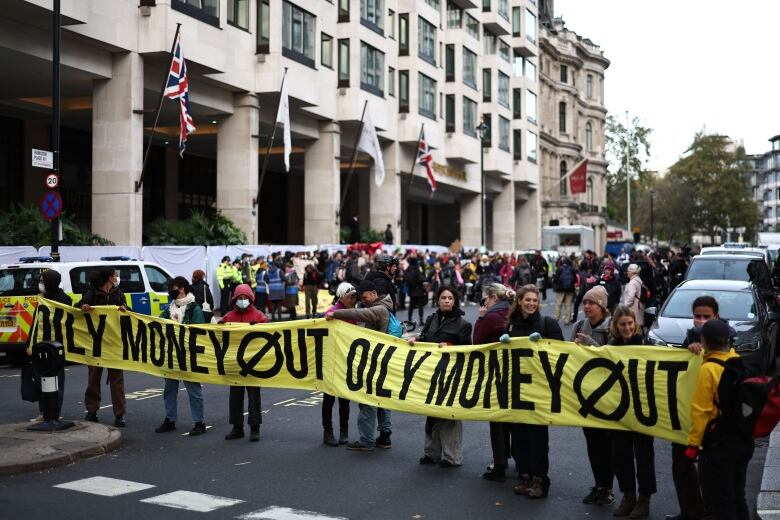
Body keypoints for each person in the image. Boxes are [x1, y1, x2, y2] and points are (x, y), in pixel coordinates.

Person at [666, 296, 735, 520]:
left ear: (716, 316)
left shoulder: (727, 337)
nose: (701, 321)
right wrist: (690, 348)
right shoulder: (691, 336)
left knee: (713, 478)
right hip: (686, 413)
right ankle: (689, 510)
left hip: (711, 423)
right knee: (681, 467)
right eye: (697, 316)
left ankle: (707, 512)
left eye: (707, 316)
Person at [499, 284, 563, 498]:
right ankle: (525, 476)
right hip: (517, 391)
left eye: (535, 301)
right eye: (528, 300)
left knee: (537, 440)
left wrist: (545, 344)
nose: (531, 304)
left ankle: (540, 481)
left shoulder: (547, 324)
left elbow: (562, 353)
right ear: (519, 301)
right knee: (518, 439)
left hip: (539, 391)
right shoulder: (510, 325)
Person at [687, 319, 753, 520]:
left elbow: (701, 410)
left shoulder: (709, 369)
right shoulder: (736, 360)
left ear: (705, 341)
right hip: (742, 439)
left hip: (718, 443)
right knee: (737, 495)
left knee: (720, 501)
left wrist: (692, 445)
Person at [325, 280, 394, 451]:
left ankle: (366, 440)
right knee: (381, 399)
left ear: (373, 293)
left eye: (363, 297)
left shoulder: (379, 309)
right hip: (381, 359)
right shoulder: (385, 305)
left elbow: (360, 314)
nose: (361, 301)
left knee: (367, 401)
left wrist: (335, 314)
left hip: (375, 361)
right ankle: (384, 436)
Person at [411, 287, 472, 468]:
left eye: (450, 298)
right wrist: (416, 340)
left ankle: (452, 457)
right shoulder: (432, 319)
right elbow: (424, 340)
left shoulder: (463, 325)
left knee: (449, 416)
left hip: (451, 375)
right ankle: (432, 453)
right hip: (431, 374)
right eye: (443, 297)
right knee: (432, 414)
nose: (446, 300)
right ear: (438, 300)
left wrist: (451, 345)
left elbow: (467, 351)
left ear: (455, 301)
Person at [608, 305, 656, 518]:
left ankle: (644, 500)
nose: (627, 327)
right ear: (616, 327)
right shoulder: (613, 346)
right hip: (619, 411)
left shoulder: (646, 344)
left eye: (630, 323)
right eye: (622, 324)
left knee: (643, 456)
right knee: (620, 456)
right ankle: (629, 496)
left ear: (635, 324)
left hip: (643, 410)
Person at [571, 285, 615, 506]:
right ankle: (598, 485)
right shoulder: (579, 325)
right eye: (585, 302)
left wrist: (591, 345)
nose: (587, 306)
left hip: (609, 398)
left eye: (592, 303)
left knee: (608, 446)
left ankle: (608, 488)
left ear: (602, 306)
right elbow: (569, 358)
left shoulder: (612, 328)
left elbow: (614, 359)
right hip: (586, 396)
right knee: (593, 445)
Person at [76, 267, 128, 427]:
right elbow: (78, 305)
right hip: (96, 343)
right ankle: (92, 411)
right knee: (93, 379)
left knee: (117, 381)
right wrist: (83, 306)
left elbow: (128, 311)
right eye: (115, 275)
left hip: (113, 344)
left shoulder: (118, 294)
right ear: (109, 278)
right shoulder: (91, 292)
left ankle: (119, 415)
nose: (117, 277)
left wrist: (125, 310)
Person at [155, 277, 207, 436]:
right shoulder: (169, 309)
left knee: (193, 390)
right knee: (169, 389)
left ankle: (199, 422)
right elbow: (157, 322)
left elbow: (198, 331)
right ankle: (170, 420)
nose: (172, 290)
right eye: (171, 288)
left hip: (188, 355)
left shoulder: (194, 308)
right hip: (171, 355)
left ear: (183, 288)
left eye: (174, 288)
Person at [473, 283, 514, 481]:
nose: (484, 303)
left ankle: (499, 463)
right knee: (512, 420)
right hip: (515, 372)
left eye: (485, 299)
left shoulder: (491, 317)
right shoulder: (512, 312)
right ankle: (513, 458)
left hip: (496, 373)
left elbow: (477, 343)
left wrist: (480, 319)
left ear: (494, 298)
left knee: (497, 421)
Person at [221, 284, 269, 442]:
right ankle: (237, 427)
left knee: (254, 396)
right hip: (235, 363)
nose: (242, 301)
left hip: (253, 364)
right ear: (235, 299)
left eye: (245, 298)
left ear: (250, 299)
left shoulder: (259, 316)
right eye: (239, 298)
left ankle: (255, 428)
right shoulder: (228, 317)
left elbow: (270, 334)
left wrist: (261, 327)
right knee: (235, 396)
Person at [30, 270, 72, 415]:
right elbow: (37, 322)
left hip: (56, 347)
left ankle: (54, 413)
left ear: (51, 282)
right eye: (40, 280)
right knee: (41, 381)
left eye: (43, 281)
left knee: (57, 381)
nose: (40, 284)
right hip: (41, 345)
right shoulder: (42, 298)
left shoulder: (64, 299)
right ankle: (44, 412)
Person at [321, 282, 357, 446]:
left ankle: (344, 431)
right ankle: (327, 432)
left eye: (355, 296)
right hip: (330, 361)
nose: (354, 299)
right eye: (351, 296)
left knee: (344, 398)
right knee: (328, 398)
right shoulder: (331, 313)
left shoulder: (353, 313)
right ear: (342, 296)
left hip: (345, 361)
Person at [552, 257, 576, 324]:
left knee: (558, 304)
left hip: (560, 289)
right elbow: (575, 279)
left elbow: (556, 279)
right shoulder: (572, 269)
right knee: (568, 305)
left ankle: (556, 317)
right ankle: (567, 320)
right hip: (570, 289)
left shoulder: (559, 269)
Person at [405, 257, 427, 324]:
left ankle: (409, 320)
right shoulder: (417, 269)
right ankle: (421, 320)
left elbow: (405, 278)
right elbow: (421, 279)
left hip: (411, 290)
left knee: (411, 306)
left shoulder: (408, 269)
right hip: (419, 290)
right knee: (420, 306)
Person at [622, 264, 645, 328]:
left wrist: (624, 307)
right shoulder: (638, 279)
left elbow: (631, 297)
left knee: (635, 326)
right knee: (639, 326)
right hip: (639, 306)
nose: (627, 273)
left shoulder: (632, 282)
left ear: (632, 272)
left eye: (628, 271)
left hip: (634, 307)